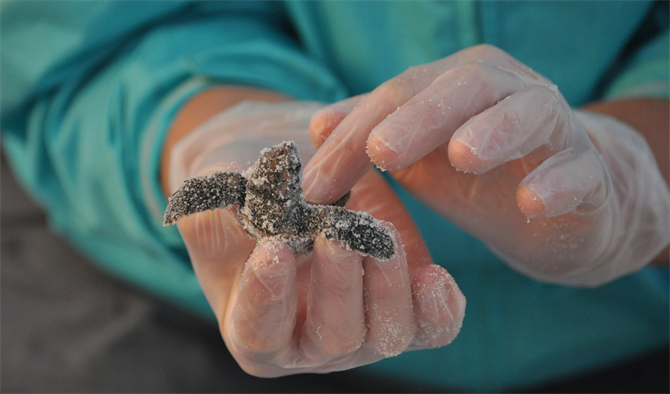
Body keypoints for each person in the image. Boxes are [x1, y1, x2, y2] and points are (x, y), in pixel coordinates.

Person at [1, 1, 669, 392]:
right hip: (171, 303)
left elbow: (345, 222)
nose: (268, 173)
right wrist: (200, 129)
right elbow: (66, 34)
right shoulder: (256, 190)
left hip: (630, 325)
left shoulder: (313, 202)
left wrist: (643, 169)